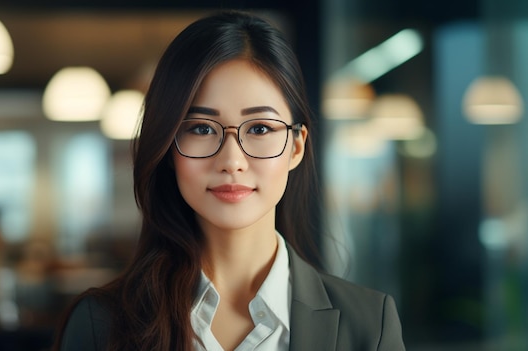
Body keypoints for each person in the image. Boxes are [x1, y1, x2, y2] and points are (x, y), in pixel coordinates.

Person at [54, 10, 405, 351]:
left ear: (296, 146)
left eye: (260, 128)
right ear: (168, 146)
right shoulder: (100, 324)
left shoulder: (369, 326)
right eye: (202, 129)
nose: (232, 161)